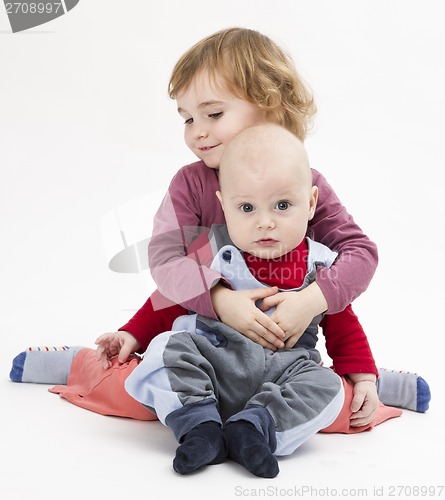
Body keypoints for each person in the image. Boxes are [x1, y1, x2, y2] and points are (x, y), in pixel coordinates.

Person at [10, 28, 430, 423]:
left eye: (212, 113)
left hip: (283, 360)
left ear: (269, 104)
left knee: (331, 409)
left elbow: (359, 255)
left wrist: (311, 302)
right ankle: (81, 364)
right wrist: (216, 301)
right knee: (139, 394)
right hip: (205, 347)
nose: (198, 132)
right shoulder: (192, 184)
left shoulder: (306, 183)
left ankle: (369, 384)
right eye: (187, 118)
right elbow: (167, 267)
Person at [124, 123, 398, 478]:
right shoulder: (214, 251)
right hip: (215, 366)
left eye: (282, 205)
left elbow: (344, 327)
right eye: (247, 208)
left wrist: (364, 380)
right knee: (166, 349)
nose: (265, 223)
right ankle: (199, 426)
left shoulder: (319, 267)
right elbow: (169, 299)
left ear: (311, 203)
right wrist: (130, 335)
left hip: (282, 375)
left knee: (327, 388)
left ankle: (255, 427)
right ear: (224, 206)